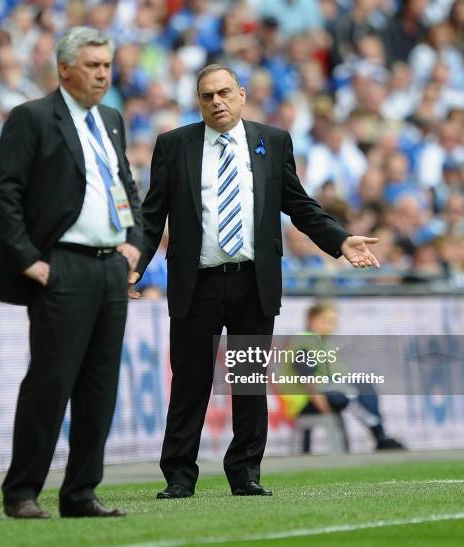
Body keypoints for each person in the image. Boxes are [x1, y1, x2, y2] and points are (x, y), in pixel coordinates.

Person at [129, 64, 381, 499]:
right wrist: (133, 263)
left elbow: (299, 205)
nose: (216, 102)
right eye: (207, 96)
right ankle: (179, 477)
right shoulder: (174, 146)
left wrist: (340, 241)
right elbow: (152, 215)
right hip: (196, 284)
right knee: (190, 383)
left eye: (224, 92)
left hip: (253, 283)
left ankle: (245, 473)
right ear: (198, 101)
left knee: (247, 382)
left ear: (242, 95)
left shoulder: (272, 141)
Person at [0, 26, 142, 519]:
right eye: (93, 65)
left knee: (100, 386)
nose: (102, 73)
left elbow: (127, 187)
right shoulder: (32, 118)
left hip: (109, 266)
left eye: (106, 65)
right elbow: (3, 190)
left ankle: (80, 493)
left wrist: (135, 245)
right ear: (65, 68)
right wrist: (29, 259)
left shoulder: (111, 119)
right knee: (51, 382)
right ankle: (22, 492)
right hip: (63, 264)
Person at [281, 300, 406, 452]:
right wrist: (325, 408)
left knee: (362, 386)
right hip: (306, 402)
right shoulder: (305, 341)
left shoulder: (323, 344)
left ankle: (381, 436)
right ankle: (380, 437)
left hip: (324, 395)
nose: (330, 325)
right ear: (311, 320)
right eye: (325, 321)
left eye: (333, 321)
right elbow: (307, 378)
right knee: (352, 392)